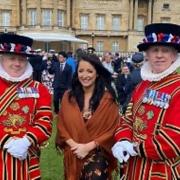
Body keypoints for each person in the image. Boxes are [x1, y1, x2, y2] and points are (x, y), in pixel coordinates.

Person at [112, 23, 180, 179]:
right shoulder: (142, 85)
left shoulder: (178, 87)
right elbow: (127, 118)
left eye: (165, 50)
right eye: (154, 50)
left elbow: (174, 138)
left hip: (162, 171)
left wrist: (136, 148)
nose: (159, 55)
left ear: (174, 55)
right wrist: (122, 140)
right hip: (133, 169)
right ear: (147, 55)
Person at [56, 53, 119, 179]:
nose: (85, 75)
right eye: (81, 71)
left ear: (98, 73)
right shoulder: (68, 97)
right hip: (73, 152)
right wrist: (75, 146)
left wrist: (87, 147)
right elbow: (61, 125)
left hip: (98, 154)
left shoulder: (107, 99)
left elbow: (112, 129)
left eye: (90, 71)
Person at [0, 33, 53, 179]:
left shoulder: (39, 88)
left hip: (27, 158)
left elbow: (45, 121)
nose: (17, 64)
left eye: (22, 59)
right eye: (12, 58)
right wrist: (7, 141)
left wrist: (27, 140)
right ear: (2, 58)